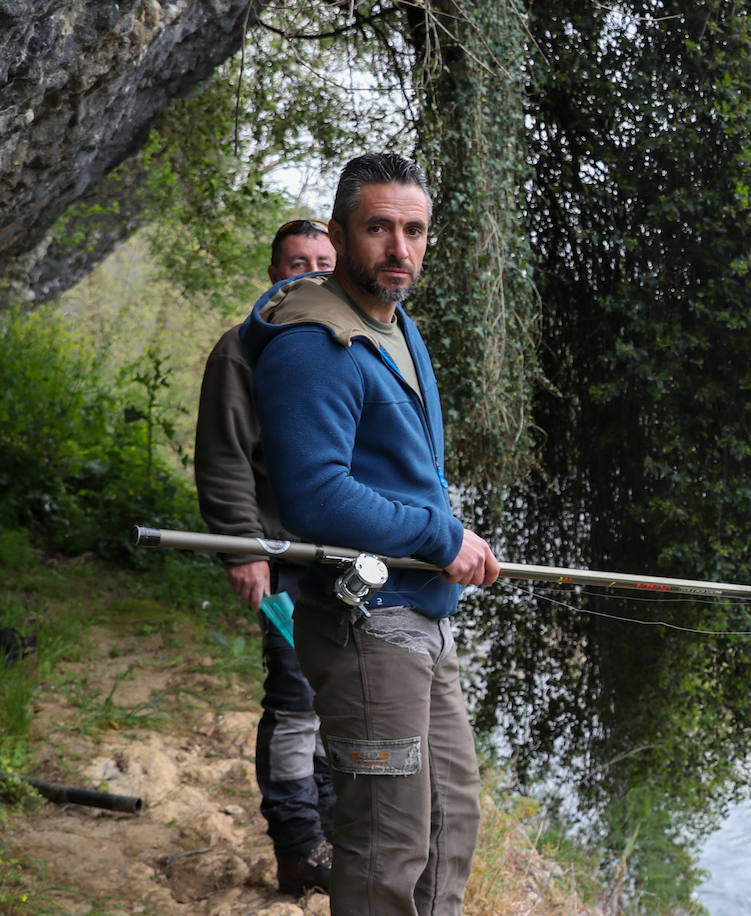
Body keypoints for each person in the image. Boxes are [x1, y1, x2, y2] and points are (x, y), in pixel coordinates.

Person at [241, 152, 501, 914]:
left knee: (451, 823)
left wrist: (445, 532)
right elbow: (315, 496)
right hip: (365, 627)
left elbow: (399, 472)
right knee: (386, 843)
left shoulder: (395, 327)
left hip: (422, 613)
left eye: (414, 229)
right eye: (380, 227)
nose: (400, 248)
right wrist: (437, 534)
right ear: (340, 232)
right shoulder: (314, 346)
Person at [194, 218, 338, 895]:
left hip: (346, 558)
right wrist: (240, 551)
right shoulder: (241, 351)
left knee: (341, 702)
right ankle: (298, 845)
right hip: (276, 556)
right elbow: (223, 459)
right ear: (275, 273)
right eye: (296, 261)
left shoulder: (350, 344)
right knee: (296, 700)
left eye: (322, 260)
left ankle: (335, 836)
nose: (310, 271)